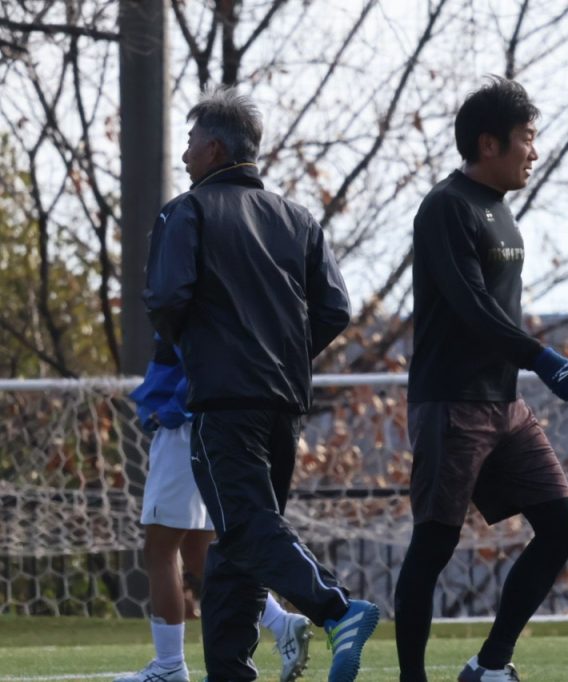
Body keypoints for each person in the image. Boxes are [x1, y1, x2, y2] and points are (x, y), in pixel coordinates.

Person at [143, 87, 378, 682]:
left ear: (215, 148)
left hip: (224, 400)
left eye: (192, 141)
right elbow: (335, 308)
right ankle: (230, 671)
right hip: (284, 401)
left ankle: (336, 609)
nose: (185, 154)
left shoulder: (187, 211)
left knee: (246, 524)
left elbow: (166, 299)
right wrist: (282, 355)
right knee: (235, 540)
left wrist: (197, 351)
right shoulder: (298, 217)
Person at [394, 76, 568, 682]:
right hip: (451, 403)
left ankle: (489, 665)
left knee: (562, 529)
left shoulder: (501, 211)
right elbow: (471, 305)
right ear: (488, 143)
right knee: (434, 545)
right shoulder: (446, 207)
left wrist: (527, 362)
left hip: (503, 404)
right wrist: (541, 356)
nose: (535, 151)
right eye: (526, 138)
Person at [115, 335, 314, 682]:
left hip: (185, 426)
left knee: (160, 549)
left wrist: (171, 409)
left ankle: (169, 665)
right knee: (201, 551)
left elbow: (199, 351)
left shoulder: (193, 302)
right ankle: (280, 622)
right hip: (214, 425)